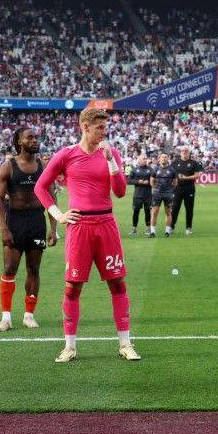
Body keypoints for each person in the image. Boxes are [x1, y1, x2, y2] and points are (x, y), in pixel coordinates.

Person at [34, 108, 140, 363]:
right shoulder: (67, 154)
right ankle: (70, 346)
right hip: (79, 226)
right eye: (100, 128)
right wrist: (58, 215)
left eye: (106, 128)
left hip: (106, 224)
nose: (105, 132)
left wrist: (111, 162)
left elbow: (121, 192)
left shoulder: (111, 153)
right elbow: (41, 186)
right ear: (85, 127)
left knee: (117, 283)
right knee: (72, 287)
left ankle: (125, 344)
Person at [0, 127, 57, 332]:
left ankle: (29, 315)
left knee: (33, 269)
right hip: (15, 221)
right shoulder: (8, 167)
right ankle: (6, 318)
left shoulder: (44, 166)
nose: (34, 140)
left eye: (36, 137)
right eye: (29, 137)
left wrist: (53, 227)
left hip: (37, 222)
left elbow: (51, 197)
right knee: (10, 268)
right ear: (19, 141)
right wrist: (4, 228)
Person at [170, 147, 202, 235]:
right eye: (183, 151)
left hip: (189, 188)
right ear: (180, 153)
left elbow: (197, 176)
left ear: (189, 153)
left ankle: (188, 227)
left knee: (189, 209)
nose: (184, 152)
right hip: (177, 189)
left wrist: (186, 178)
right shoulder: (175, 163)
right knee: (175, 208)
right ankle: (171, 227)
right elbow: (171, 175)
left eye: (186, 151)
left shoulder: (193, 163)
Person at [149, 152, 177, 238]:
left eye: (165, 157)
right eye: (162, 157)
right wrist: (156, 189)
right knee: (154, 212)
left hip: (168, 193)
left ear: (168, 159)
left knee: (168, 212)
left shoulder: (172, 170)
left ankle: (167, 231)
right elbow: (151, 181)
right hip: (157, 193)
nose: (164, 158)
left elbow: (175, 183)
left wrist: (170, 190)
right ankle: (152, 232)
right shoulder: (155, 169)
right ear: (159, 159)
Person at [128, 155, 152, 236]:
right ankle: (134, 229)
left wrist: (148, 182)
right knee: (136, 212)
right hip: (137, 195)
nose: (145, 160)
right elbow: (129, 181)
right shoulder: (135, 170)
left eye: (146, 158)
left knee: (148, 212)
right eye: (144, 159)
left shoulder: (150, 169)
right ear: (139, 160)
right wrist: (139, 182)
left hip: (148, 195)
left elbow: (155, 181)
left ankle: (148, 229)